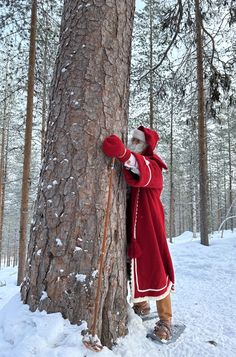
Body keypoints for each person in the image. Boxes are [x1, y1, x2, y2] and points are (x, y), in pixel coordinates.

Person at [102, 126, 175, 341]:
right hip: (128, 225)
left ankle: (166, 319)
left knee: (156, 268)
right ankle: (140, 305)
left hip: (149, 227)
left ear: (146, 144)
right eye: (131, 139)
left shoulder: (154, 165)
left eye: (137, 140)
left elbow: (142, 171)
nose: (132, 142)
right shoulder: (127, 165)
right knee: (128, 266)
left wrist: (124, 154)